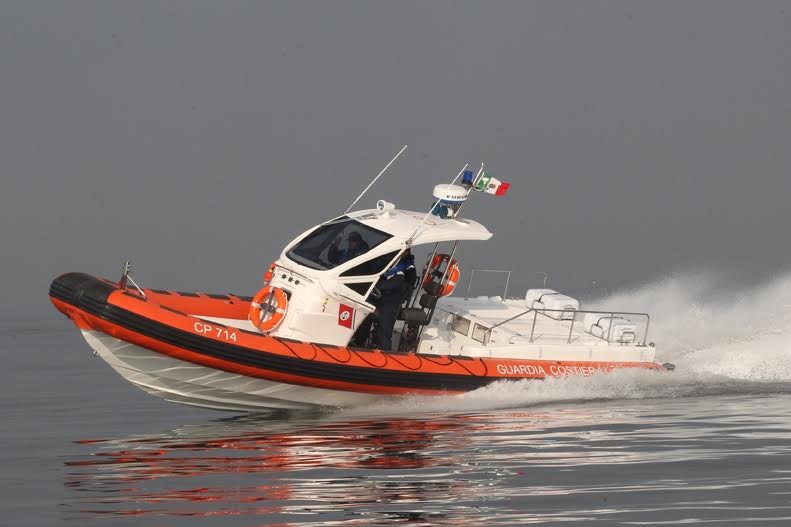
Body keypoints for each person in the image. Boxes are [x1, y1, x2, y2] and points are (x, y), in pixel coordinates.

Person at [373, 249, 417, 350]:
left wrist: (388, 286)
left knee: (385, 319)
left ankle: (384, 349)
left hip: (394, 298)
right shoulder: (390, 264)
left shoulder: (409, 268)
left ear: (406, 252)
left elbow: (408, 286)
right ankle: (359, 341)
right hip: (382, 295)